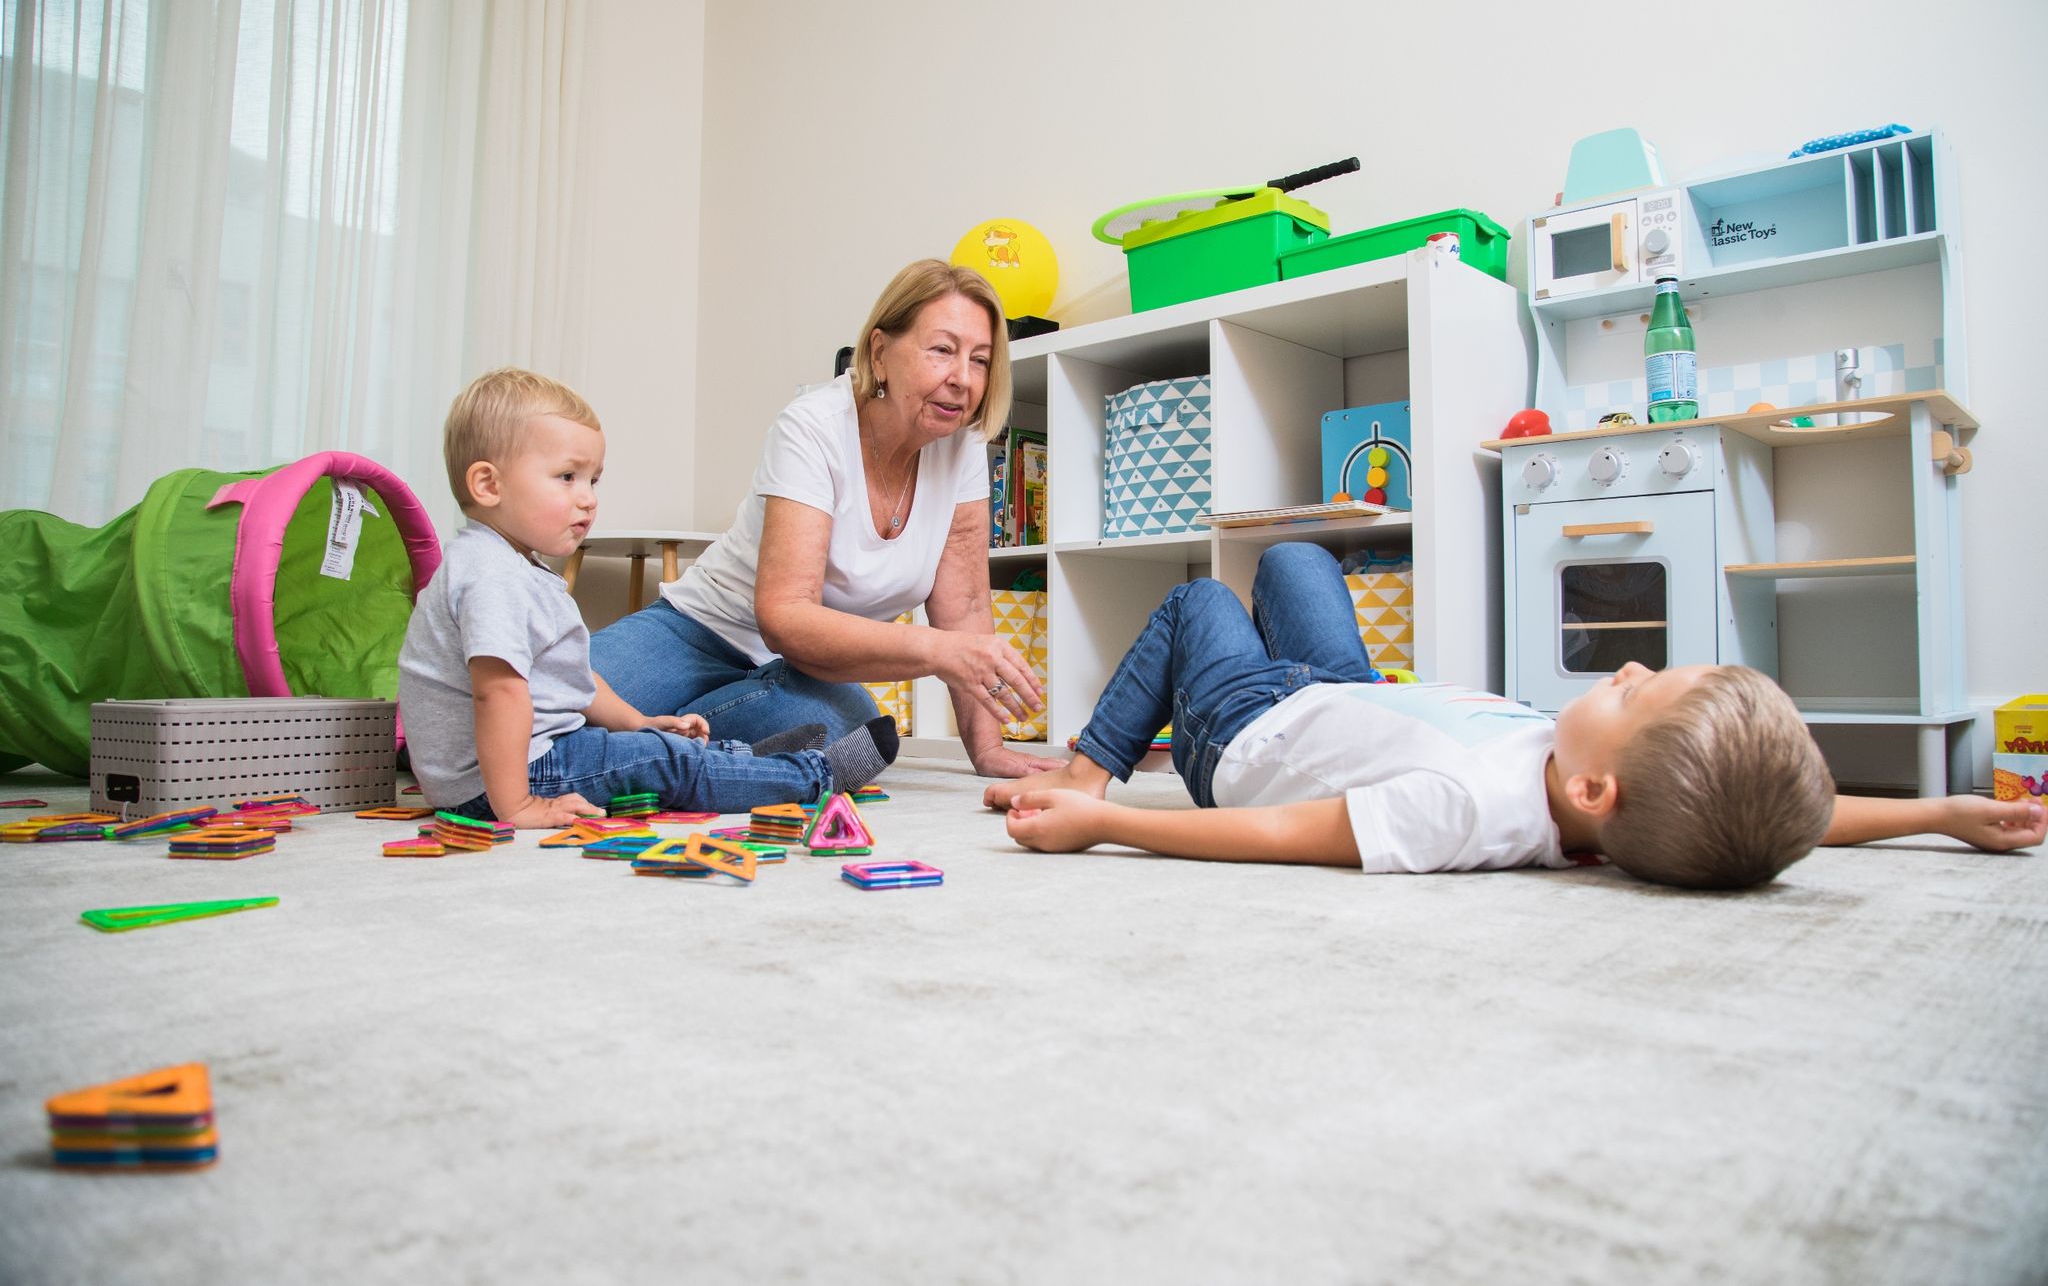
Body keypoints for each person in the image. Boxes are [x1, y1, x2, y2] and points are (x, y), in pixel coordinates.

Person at [985, 543, 2046, 888]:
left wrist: (1105, 821)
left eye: (1635, 689)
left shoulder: (1468, 808)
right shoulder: (1613, 782)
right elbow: (1782, 809)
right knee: (1297, 558)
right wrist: (1935, 813)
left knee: (1198, 602)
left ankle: (1082, 766)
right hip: (1341, 691)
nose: (1625, 666)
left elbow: (1277, 834)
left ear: (1593, 792)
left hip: (1250, 735)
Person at [591, 259, 1066, 779]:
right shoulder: (813, 427)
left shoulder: (964, 449)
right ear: (881, 353)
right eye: (942, 351)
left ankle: (643, 747)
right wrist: (940, 652)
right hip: (698, 634)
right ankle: (661, 752)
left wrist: (987, 750)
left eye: (980, 360)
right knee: (530, 710)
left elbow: (967, 607)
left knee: (852, 731)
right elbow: (786, 617)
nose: (962, 378)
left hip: (802, 674)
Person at [398, 368, 898, 829]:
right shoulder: (489, 576)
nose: (588, 497)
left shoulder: (515, 568)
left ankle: (738, 762)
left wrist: (639, 721)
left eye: (593, 479)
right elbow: (498, 694)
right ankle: (811, 776)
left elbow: (575, 679)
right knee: (667, 763)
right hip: (503, 782)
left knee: (652, 744)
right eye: (567, 477)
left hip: (534, 757)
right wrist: (518, 806)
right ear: (488, 484)